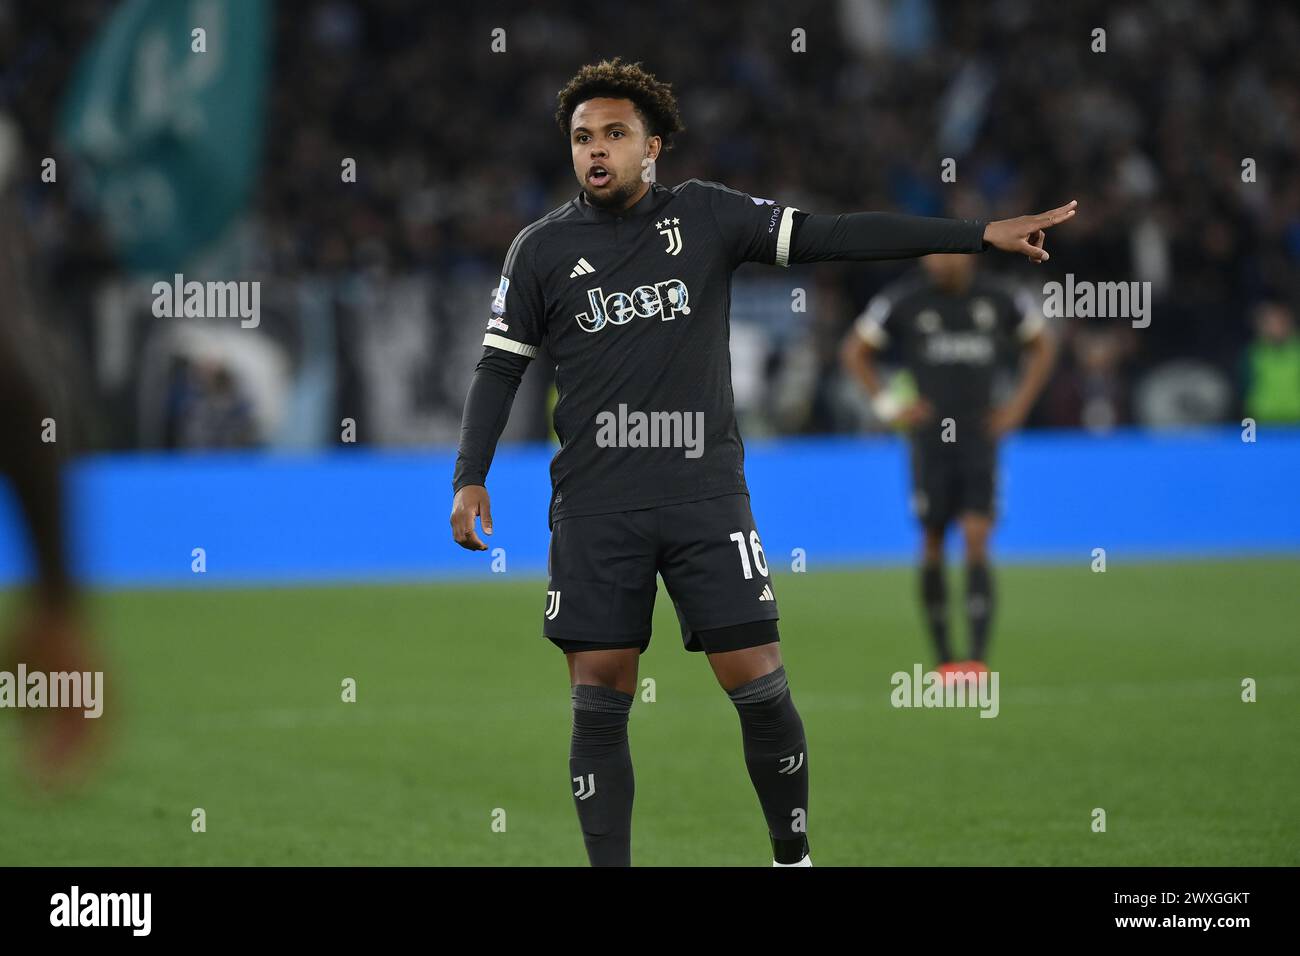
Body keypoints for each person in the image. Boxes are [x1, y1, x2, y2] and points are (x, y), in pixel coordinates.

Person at [450, 57, 1074, 866]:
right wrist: (471, 474)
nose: (596, 150)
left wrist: (974, 237)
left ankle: (793, 857)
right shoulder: (538, 251)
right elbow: (500, 366)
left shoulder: (709, 216)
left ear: (654, 148)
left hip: (705, 494)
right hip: (595, 503)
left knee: (759, 683)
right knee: (599, 694)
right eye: (581, 138)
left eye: (614, 134)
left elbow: (833, 236)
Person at [841, 254, 1056, 674]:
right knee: (933, 539)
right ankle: (943, 659)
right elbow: (855, 350)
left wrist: (1018, 407)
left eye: (943, 253)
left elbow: (1043, 344)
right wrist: (888, 405)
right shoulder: (905, 298)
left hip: (980, 434)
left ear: (966, 254)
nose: (933, 262)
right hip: (929, 438)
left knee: (977, 535)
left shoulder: (999, 298)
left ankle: (975, 658)